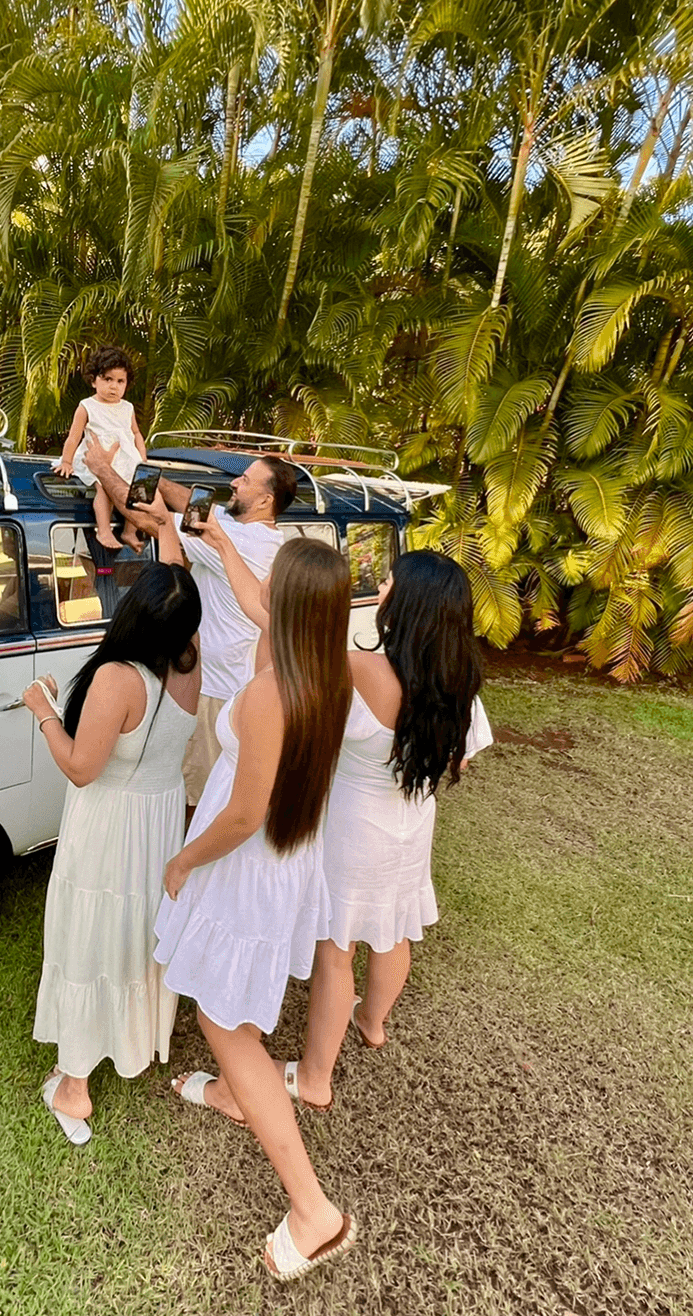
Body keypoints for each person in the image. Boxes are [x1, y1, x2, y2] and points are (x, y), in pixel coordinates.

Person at [154, 539, 359, 1283]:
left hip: (247, 861)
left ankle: (314, 1210)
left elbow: (243, 812)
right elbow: (247, 599)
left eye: (271, 577)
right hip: (283, 857)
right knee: (225, 1009)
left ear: (291, 602)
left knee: (223, 1018)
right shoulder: (327, 671)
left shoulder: (272, 690)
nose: (257, 579)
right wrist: (194, 534)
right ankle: (233, 1093)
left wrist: (183, 858)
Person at [291, 550, 493, 1111]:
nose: (379, 589)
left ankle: (314, 1076)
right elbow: (461, 762)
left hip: (353, 832)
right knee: (396, 929)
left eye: (387, 583)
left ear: (406, 603)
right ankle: (373, 1023)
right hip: (411, 830)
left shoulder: (358, 670)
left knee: (337, 951)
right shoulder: (462, 684)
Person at [27, 562, 201, 1145]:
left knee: (93, 932)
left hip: (112, 821)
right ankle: (137, 1038)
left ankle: (74, 1086)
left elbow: (81, 768)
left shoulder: (118, 677)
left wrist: (44, 710)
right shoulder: (189, 661)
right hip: (157, 818)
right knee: (135, 928)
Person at [83, 434, 297, 804]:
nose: (233, 481)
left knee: (194, 796)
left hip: (211, 692)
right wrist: (138, 464)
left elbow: (146, 516)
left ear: (265, 500)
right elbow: (191, 504)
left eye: (245, 480)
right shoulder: (251, 533)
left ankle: (186, 861)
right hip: (209, 682)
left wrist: (103, 468)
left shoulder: (246, 543)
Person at [54, 346, 148, 553]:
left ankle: (130, 531)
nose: (113, 386)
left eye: (120, 381)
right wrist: (67, 461)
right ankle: (103, 529)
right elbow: (74, 436)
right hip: (97, 459)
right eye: (107, 379)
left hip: (126, 459)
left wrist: (143, 458)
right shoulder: (87, 406)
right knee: (103, 487)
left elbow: (136, 434)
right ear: (94, 380)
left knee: (137, 491)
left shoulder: (127, 408)